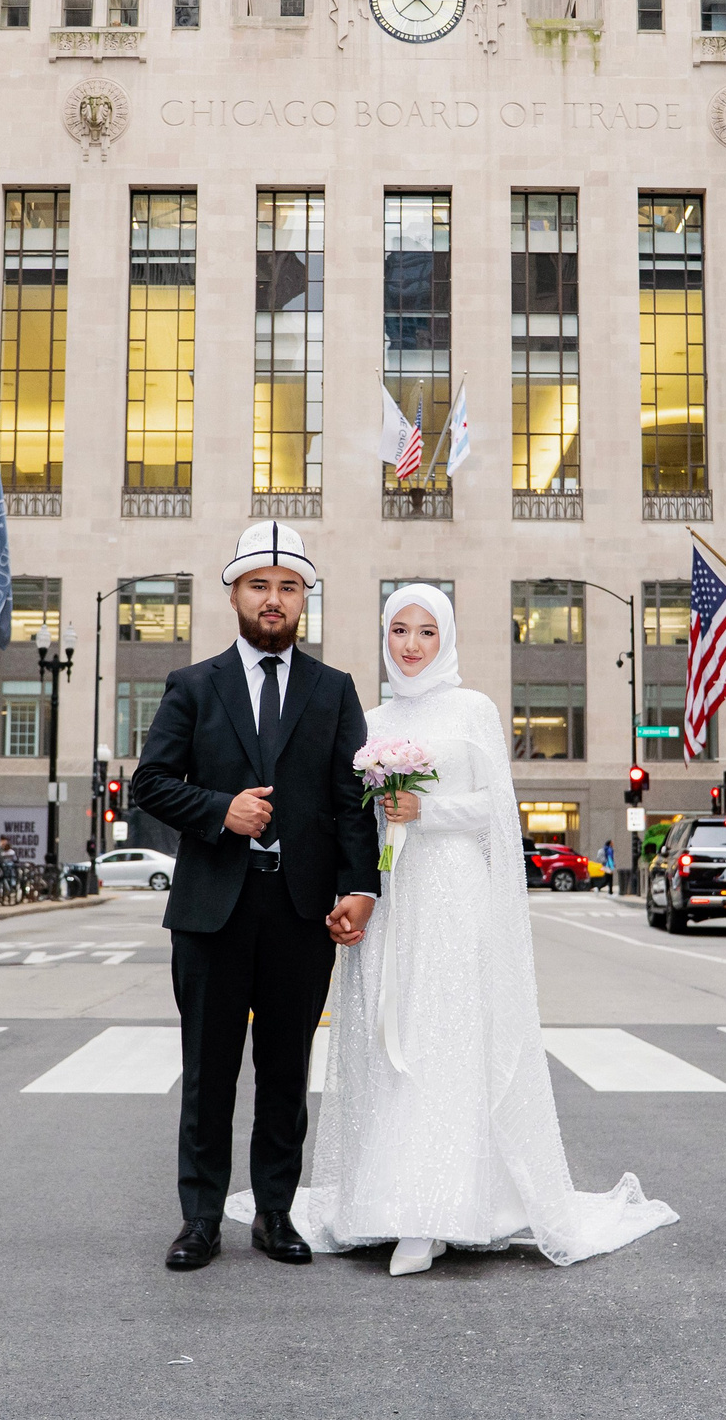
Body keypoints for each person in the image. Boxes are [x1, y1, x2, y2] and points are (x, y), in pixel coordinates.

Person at [234, 583, 676, 1275]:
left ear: (446, 639)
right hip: (391, 896)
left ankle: (441, 1208)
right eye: (399, 630)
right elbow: (347, 814)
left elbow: (497, 814)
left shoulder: (474, 710)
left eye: (426, 632)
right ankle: (380, 1200)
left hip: (453, 893)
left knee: (447, 1038)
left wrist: (426, 811)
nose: (411, 645)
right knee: (389, 1038)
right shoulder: (369, 717)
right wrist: (352, 881)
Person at [130, 521, 378, 1272]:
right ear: (234, 595)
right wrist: (220, 810)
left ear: (305, 600)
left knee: (285, 1072)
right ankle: (200, 1220)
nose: (273, 599)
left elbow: (352, 802)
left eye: (288, 587)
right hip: (213, 910)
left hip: (301, 912)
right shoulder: (193, 686)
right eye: (259, 586)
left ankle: (275, 1213)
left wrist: (360, 887)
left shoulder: (334, 690)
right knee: (207, 1073)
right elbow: (150, 784)